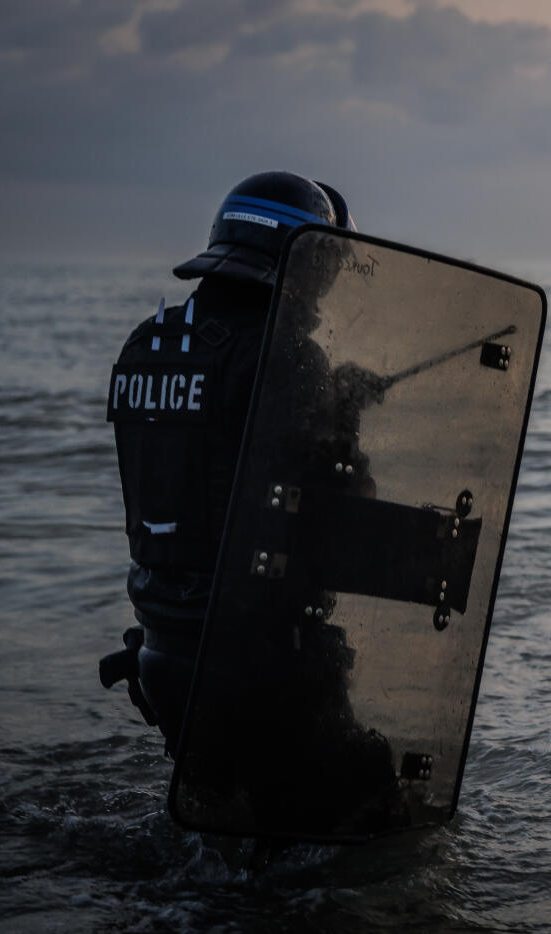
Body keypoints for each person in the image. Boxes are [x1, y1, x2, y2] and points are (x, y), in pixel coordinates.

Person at [100, 170, 354, 755]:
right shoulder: (286, 356)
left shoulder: (147, 344)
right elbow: (342, 503)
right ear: (302, 262)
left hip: (162, 645)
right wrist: (345, 408)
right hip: (258, 650)